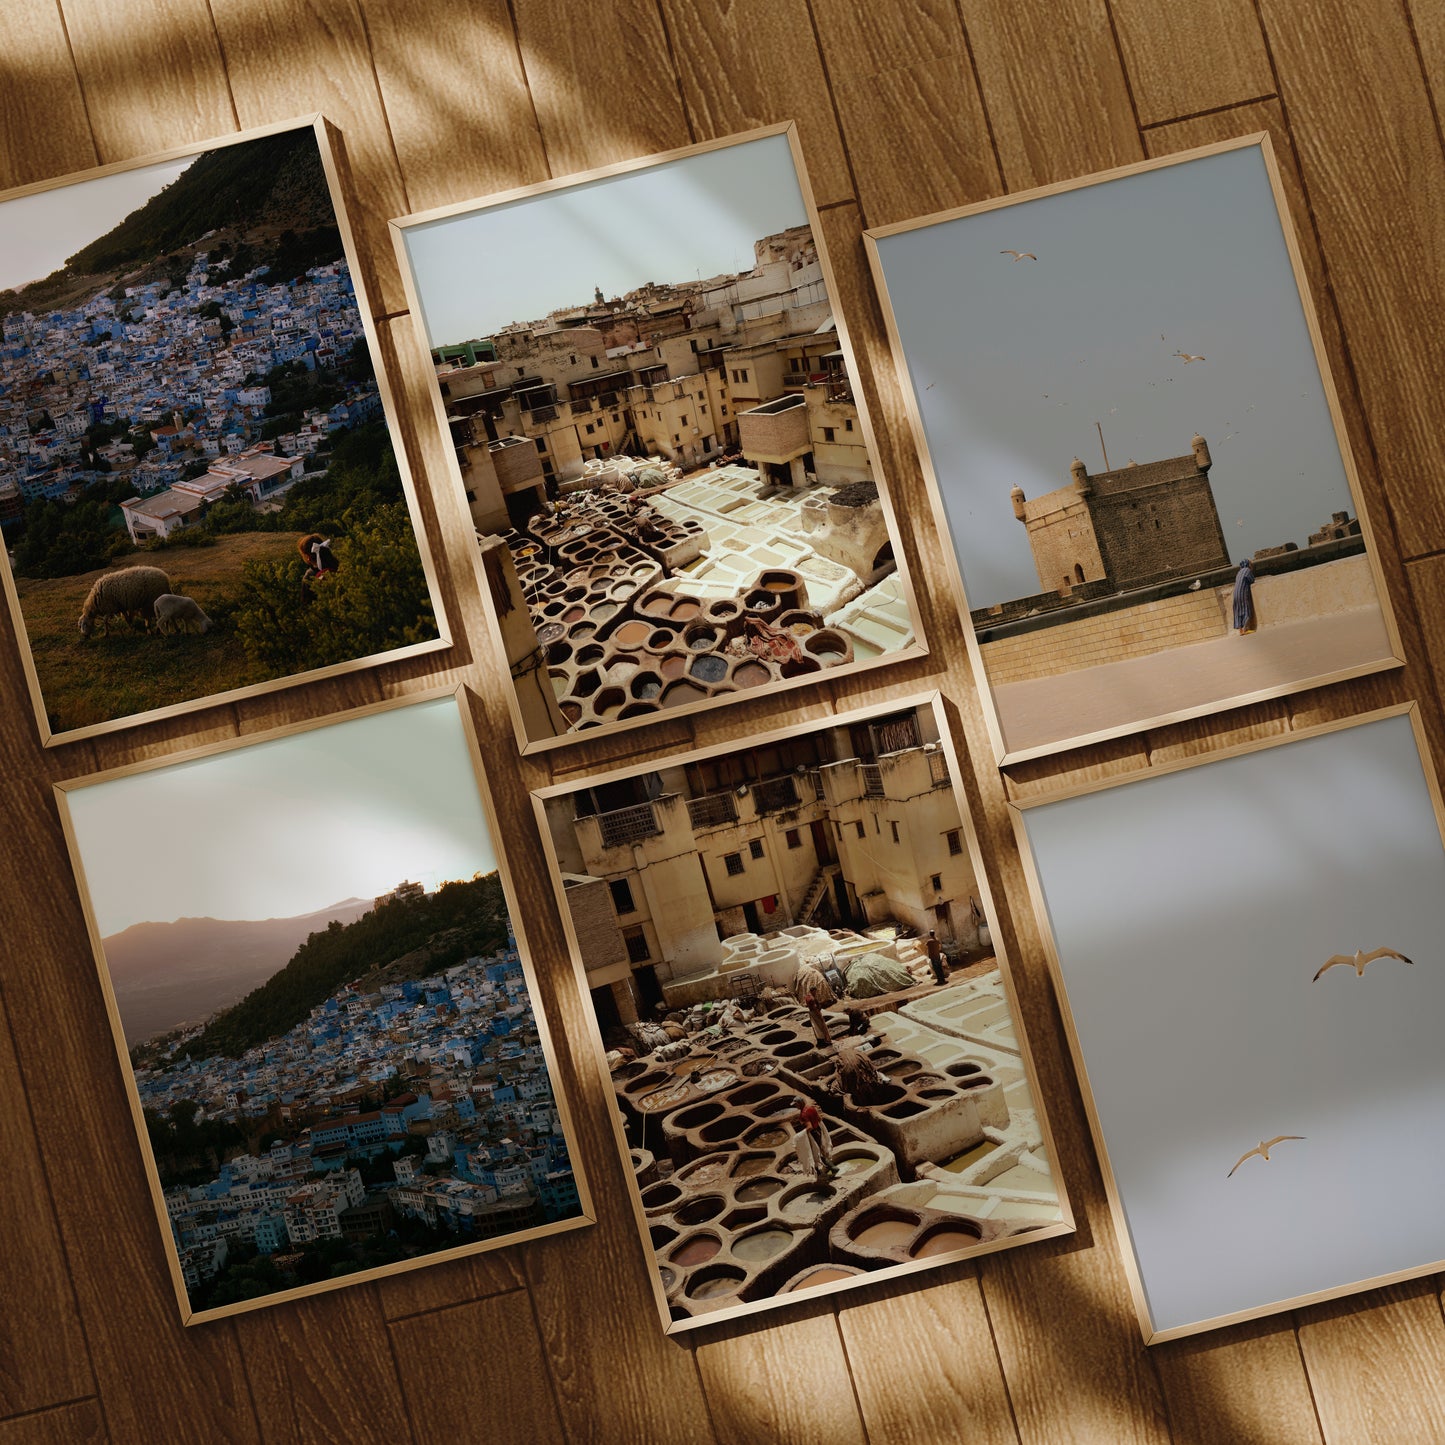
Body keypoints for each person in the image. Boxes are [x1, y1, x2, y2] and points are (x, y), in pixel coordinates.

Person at [1233, 558, 1257, 635]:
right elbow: (1252, 580)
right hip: (1242, 593)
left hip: (1236, 594)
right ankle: (1245, 629)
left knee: (1238, 611)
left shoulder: (1239, 572)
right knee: (1246, 610)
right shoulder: (1247, 570)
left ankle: (1240, 630)